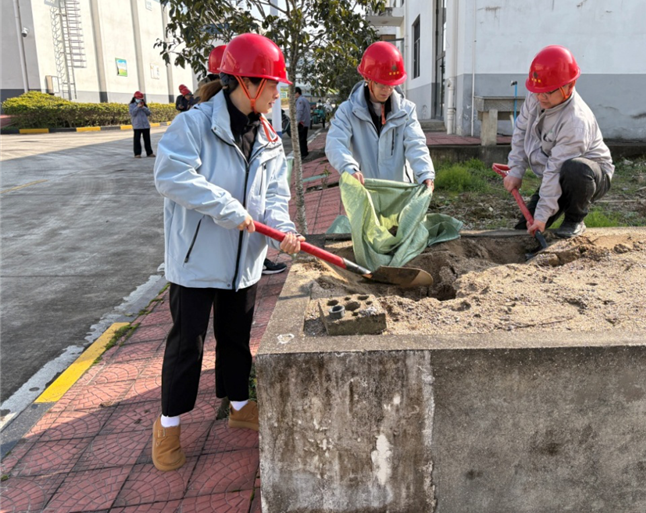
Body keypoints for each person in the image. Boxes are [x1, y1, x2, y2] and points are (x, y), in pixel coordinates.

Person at [151, 33, 304, 471]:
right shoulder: (194, 125)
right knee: (188, 345)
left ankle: (239, 407)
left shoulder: (271, 137)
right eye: (273, 84)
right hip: (198, 262)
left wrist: (283, 232)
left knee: (236, 337)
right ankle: (169, 425)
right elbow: (170, 176)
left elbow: (275, 199)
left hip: (244, 262)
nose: (278, 93)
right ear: (247, 83)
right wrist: (226, 207)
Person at [503, 45, 614, 239]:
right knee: (523, 230)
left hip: (590, 176)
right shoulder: (537, 94)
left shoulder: (575, 121)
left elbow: (557, 168)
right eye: (538, 92)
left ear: (569, 86)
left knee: (574, 169)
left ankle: (574, 220)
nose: (541, 97)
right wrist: (515, 170)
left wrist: (542, 216)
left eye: (548, 92)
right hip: (557, 170)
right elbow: (521, 131)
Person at [325, 42, 435, 190]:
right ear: (367, 80)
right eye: (381, 84)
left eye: (391, 85)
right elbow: (335, 143)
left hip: (398, 192)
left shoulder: (406, 111)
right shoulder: (348, 111)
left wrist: (425, 174)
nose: (387, 90)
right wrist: (349, 168)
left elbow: (416, 144)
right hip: (365, 190)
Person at [129, 91, 154, 158]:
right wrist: (137, 107)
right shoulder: (132, 105)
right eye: (138, 98)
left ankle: (149, 153)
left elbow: (149, 113)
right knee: (137, 140)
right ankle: (137, 153)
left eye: (141, 99)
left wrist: (143, 107)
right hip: (137, 125)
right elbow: (132, 113)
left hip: (145, 125)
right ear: (135, 98)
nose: (139, 100)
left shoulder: (144, 105)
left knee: (147, 140)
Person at [295, 87, 311, 159]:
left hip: (302, 122)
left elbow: (299, 112)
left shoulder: (300, 100)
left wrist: (297, 122)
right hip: (306, 122)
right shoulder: (305, 99)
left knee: (301, 139)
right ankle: (305, 152)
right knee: (303, 138)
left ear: (297, 93)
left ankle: (303, 154)